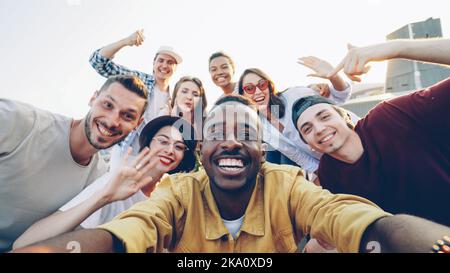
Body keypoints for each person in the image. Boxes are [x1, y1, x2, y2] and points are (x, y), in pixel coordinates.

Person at [13, 95, 450, 253]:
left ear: (263, 150)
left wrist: (421, 242)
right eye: (217, 131)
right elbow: (126, 233)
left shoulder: (288, 186)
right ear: (201, 150)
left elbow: (353, 221)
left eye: (246, 132)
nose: (231, 141)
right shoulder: (176, 191)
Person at [292, 39, 450, 226]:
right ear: (308, 144)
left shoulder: (390, 116)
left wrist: (395, 48)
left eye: (324, 116)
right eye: (307, 129)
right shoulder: (329, 174)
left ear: (345, 117)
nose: (319, 129)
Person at [0, 75, 148, 252]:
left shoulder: (100, 177)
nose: (112, 121)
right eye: (108, 105)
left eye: (127, 116)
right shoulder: (18, 120)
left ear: (137, 124)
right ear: (93, 98)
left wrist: (104, 196)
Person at [12, 116, 197, 249]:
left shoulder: (168, 198)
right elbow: (23, 244)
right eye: (163, 141)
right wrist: (105, 195)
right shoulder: (116, 181)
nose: (170, 150)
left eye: (179, 147)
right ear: (148, 144)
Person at [237, 56, 354, 172]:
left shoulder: (294, 95)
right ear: (243, 95)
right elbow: (295, 154)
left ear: (269, 86)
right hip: (335, 164)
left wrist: (333, 76)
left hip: (356, 142)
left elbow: (340, 96)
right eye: (249, 88)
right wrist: (321, 174)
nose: (258, 92)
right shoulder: (262, 126)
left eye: (262, 85)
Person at [89, 29, 182, 152]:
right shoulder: (138, 80)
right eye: (161, 60)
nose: (164, 65)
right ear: (153, 64)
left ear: (175, 68)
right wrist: (126, 41)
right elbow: (98, 62)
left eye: (170, 62)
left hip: (150, 156)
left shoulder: (175, 98)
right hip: (122, 150)